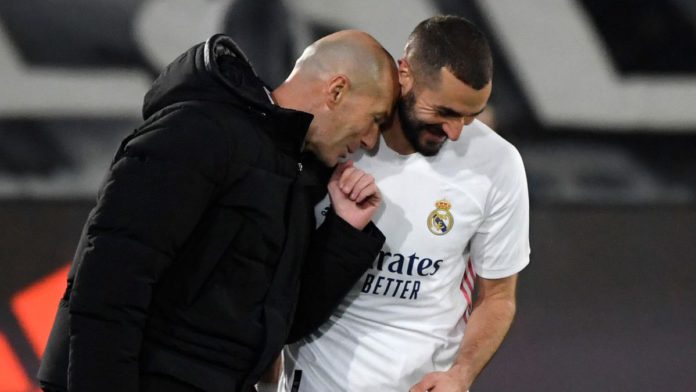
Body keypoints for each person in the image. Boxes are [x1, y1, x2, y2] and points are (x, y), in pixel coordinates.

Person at [37, 30, 399, 392]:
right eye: (376, 119)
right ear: (336, 91)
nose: (369, 141)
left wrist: (344, 232)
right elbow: (108, 285)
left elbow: (279, 323)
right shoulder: (198, 130)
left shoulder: (293, 175)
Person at [282, 15, 530, 392]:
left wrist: (460, 375)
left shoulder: (497, 164)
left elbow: (498, 296)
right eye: (444, 112)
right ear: (405, 74)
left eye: (470, 116)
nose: (455, 131)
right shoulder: (336, 139)